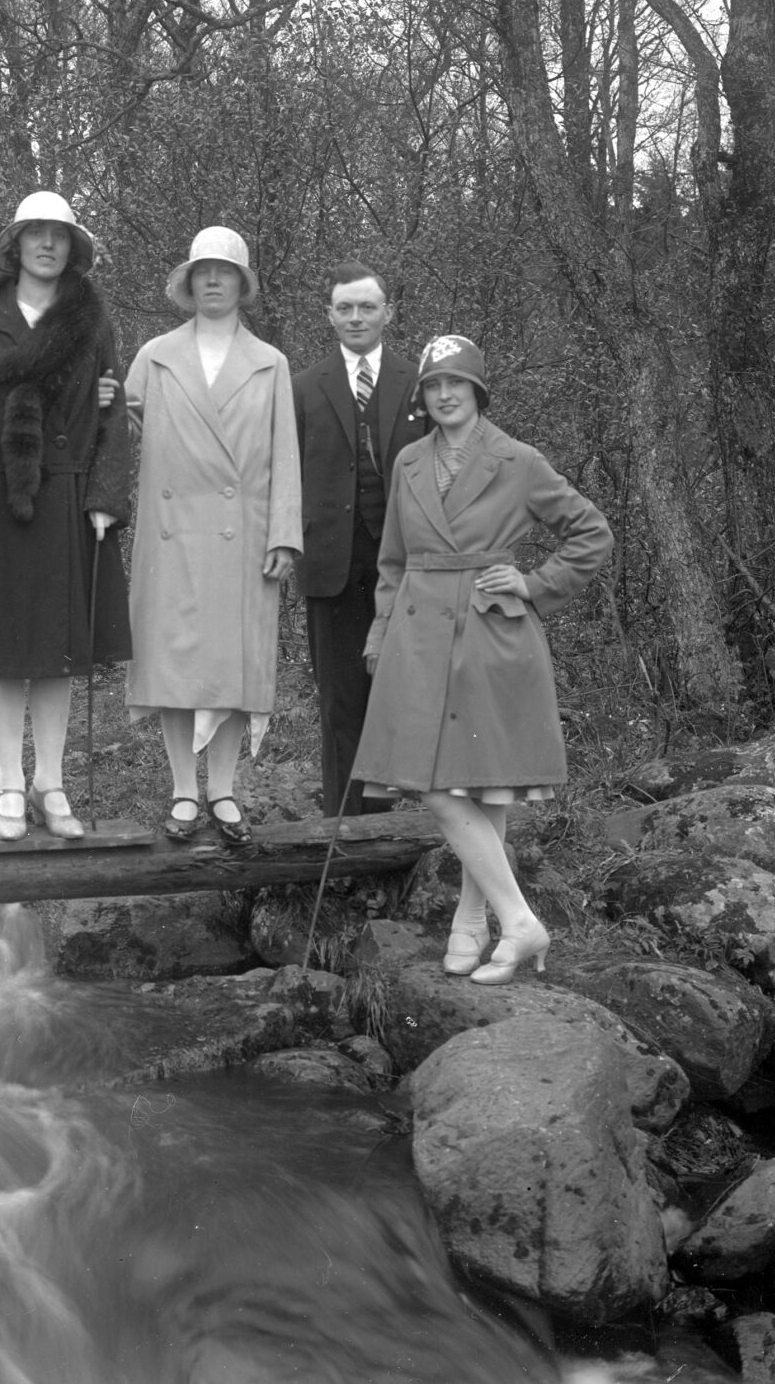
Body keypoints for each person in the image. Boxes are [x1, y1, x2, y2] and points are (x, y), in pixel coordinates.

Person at [354, 335, 611, 982]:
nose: (445, 395)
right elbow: (391, 561)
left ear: (477, 392)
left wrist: (534, 583)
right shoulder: (408, 461)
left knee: (478, 785)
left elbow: (591, 533)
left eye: (457, 384)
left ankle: (496, 923)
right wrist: (381, 631)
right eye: (434, 385)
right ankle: (500, 922)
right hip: (418, 635)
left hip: (491, 636)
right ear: (423, 395)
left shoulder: (517, 461)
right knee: (441, 786)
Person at [0, 192, 133, 840]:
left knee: (58, 650)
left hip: (65, 495)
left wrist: (106, 497)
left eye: (59, 235)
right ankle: (9, 786)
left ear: (73, 246)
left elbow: (112, 413)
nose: (47, 244)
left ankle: (51, 781)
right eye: (35, 233)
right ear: (16, 242)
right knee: (2, 651)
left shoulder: (90, 316)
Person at [123, 226, 302, 846]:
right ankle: (181, 791)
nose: (214, 281)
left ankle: (222, 790)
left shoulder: (270, 363)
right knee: (174, 664)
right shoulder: (154, 356)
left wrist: (285, 533)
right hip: (171, 533)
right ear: (189, 282)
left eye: (225, 272)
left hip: (244, 534)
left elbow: (286, 455)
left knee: (233, 667)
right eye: (204, 272)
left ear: (242, 285)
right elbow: (121, 434)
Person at [292, 262, 427, 817]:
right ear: (329, 315)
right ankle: (345, 830)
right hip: (332, 566)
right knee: (341, 702)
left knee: (404, 698)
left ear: (387, 313)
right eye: (344, 308)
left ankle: (402, 824)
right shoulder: (301, 387)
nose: (355, 317)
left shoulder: (419, 383)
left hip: (410, 568)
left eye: (366, 307)